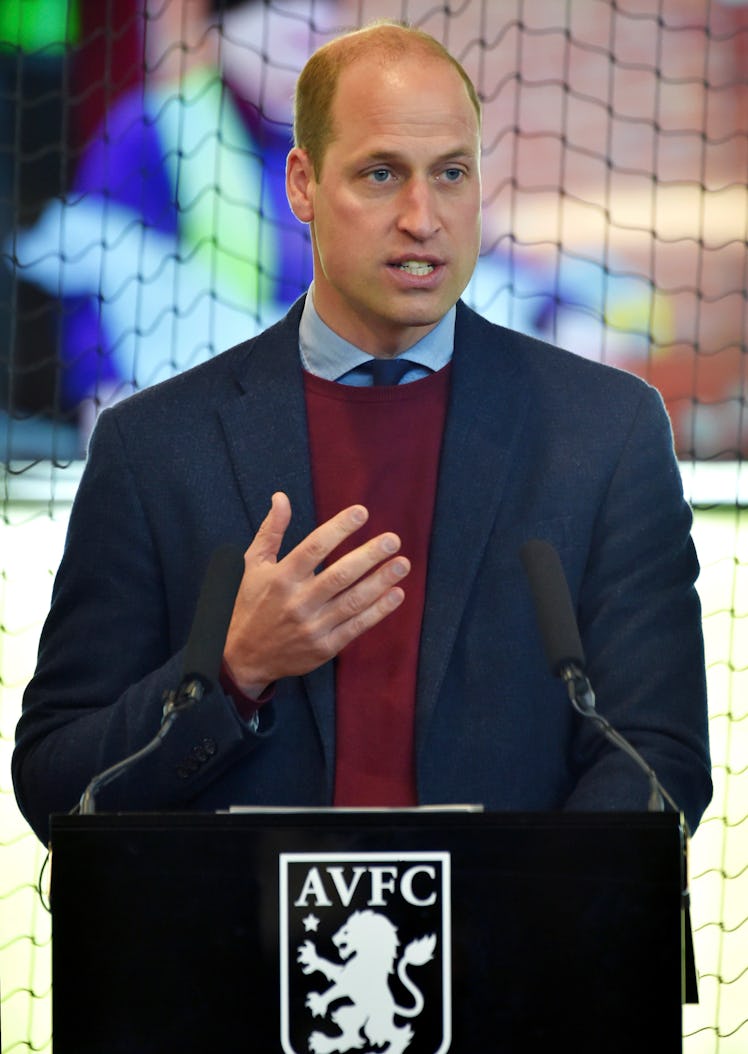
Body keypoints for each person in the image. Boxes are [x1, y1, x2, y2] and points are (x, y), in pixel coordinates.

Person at [13, 20, 711, 844]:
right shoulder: (154, 447)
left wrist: (516, 919)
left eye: (451, 173)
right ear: (303, 185)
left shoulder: (607, 432)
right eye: (382, 174)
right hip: (244, 965)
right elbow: (56, 782)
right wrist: (234, 673)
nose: (423, 217)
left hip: (519, 964)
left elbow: (660, 756)